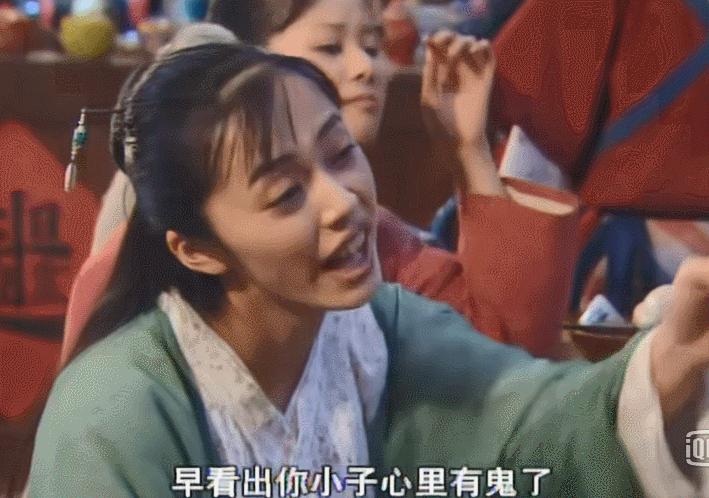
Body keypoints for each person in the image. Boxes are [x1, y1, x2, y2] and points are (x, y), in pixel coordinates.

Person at [28, 40, 709, 498]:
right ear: (195, 248)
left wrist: (665, 368)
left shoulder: (381, 327)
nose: (343, 202)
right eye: (285, 193)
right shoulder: (114, 412)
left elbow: (531, 425)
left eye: (340, 153)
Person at [73, 0, 578, 363]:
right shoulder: (147, 259)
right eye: (331, 46)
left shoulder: (371, 234)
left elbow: (501, 363)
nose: (366, 68)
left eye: (373, 44)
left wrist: (469, 152)